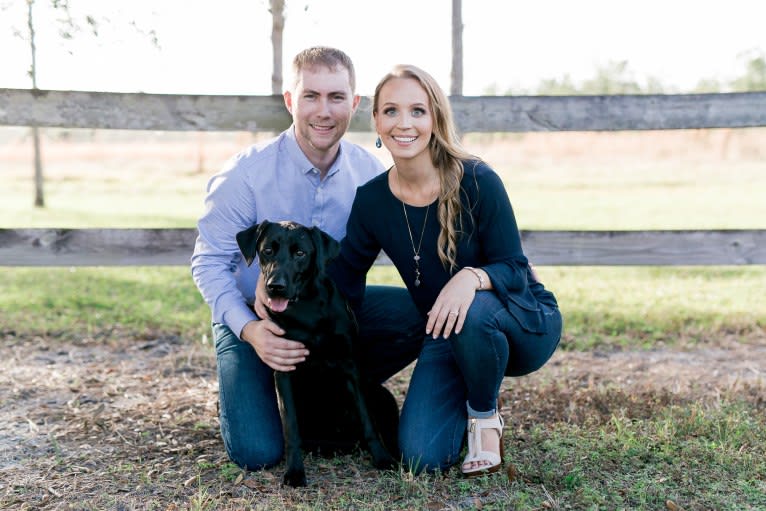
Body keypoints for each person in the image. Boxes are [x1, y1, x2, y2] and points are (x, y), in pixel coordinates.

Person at [190, 47, 424, 471]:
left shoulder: (370, 174)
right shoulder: (245, 174)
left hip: (326, 312)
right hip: (250, 316)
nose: (324, 111)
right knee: (258, 453)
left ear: (354, 105)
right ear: (289, 101)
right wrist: (250, 330)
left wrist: (484, 270)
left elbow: (415, 241)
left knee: (418, 312)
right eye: (311, 96)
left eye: (336, 97)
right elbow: (208, 264)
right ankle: (264, 391)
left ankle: (327, 393)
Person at [329, 64, 562, 477]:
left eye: (418, 111)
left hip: (522, 318)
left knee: (470, 309)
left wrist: (468, 278)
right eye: (391, 111)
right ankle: (471, 378)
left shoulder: (477, 180)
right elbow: (345, 279)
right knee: (421, 458)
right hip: (446, 329)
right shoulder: (371, 201)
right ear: (377, 122)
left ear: (435, 118)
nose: (404, 124)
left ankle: (485, 416)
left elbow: (515, 268)